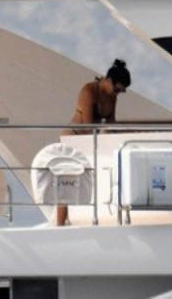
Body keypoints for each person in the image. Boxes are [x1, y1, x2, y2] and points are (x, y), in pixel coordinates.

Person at [58, 58, 132, 225]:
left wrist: (126, 134)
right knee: (68, 182)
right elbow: (88, 125)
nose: (118, 93)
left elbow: (111, 123)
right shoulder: (89, 91)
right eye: (117, 88)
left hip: (91, 140)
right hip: (74, 138)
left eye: (122, 91)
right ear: (108, 80)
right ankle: (59, 224)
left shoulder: (112, 97)